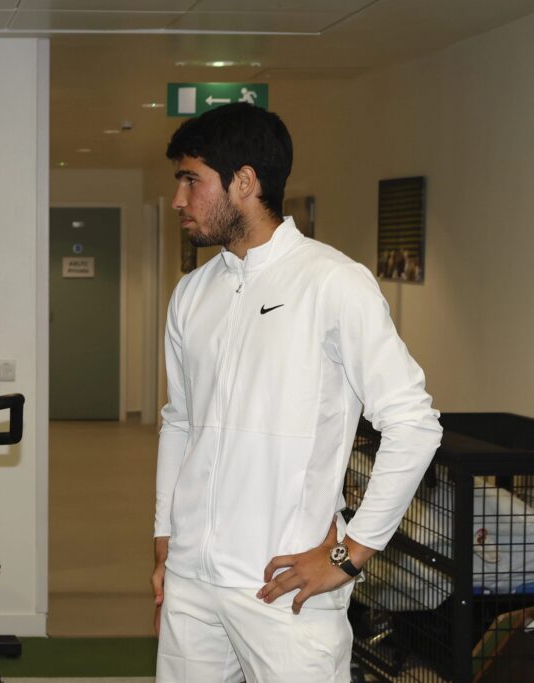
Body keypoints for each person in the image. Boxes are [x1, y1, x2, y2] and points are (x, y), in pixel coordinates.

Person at [151, 103, 442, 682]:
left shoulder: (334, 283)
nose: (179, 200)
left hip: (286, 590)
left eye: (191, 180)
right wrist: (165, 540)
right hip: (191, 582)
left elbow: (414, 424)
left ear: (245, 182)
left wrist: (348, 556)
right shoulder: (191, 293)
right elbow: (179, 420)